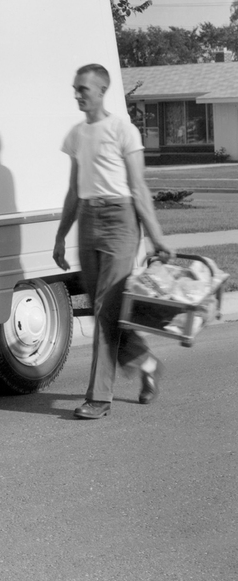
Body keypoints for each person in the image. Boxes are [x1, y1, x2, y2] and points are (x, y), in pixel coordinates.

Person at [52, 63, 173, 419]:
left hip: (121, 221)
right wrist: (60, 235)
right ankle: (146, 363)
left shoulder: (124, 130)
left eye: (83, 89)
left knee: (106, 308)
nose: (77, 95)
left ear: (102, 91)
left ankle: (99, 398)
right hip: (88, 220)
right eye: (75, 89)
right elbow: (74, 191)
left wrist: (156, 236)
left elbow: (138, 187)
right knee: (105, 309)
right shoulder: (76, 135)